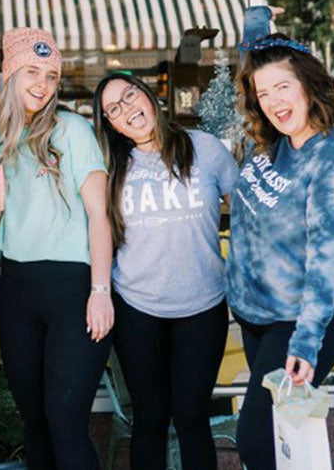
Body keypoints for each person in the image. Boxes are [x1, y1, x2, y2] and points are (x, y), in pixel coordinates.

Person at [228, 30, 334, 470]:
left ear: (308, 84)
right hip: (258, 317)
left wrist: (306, 342)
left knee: (257, 440)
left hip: (299, 321)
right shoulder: (271, 144)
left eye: (283, 87)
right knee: (279, 442)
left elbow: (328, 260)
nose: (273, 100)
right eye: (263, 92)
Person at [0, 28, 114, 470]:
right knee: (34, 423)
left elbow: (100, 215)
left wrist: (100, 291)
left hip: (73, 288)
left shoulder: (72, 130)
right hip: (16, 288)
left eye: (52, 75)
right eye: (33, 72)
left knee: (65, 420)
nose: (42, 83)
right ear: (10, 74)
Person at [92, 72, 237, 469]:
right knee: (150, 419)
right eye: (114, 110)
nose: (128, 111)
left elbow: (247, 213)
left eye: (129, 96)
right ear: (110, 124)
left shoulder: (203, 148)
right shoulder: (108, 167)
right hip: (137, 309)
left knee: (192, 416)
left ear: (147, 94)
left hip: (203, 305)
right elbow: (95, 230)